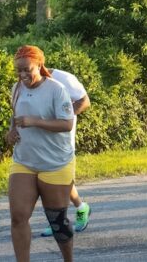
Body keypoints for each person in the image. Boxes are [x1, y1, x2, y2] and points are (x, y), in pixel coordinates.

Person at [6, 45, 75, 262]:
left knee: (57, 221)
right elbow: (15, 116)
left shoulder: (56, 90)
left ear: (39, 65)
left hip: (55, 162)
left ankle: (68, 259)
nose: (22, 75)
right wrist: (11, 132)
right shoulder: (16, 88)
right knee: (18, 217)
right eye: (18, 71)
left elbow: (67, 124)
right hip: (24, 160)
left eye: (27, 69)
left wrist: (34, 122)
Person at [39, 68, 92, 237]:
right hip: (40, 139)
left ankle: (73, 212)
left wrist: (62, 120)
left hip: (62, 140)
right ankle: (61, 219)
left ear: (39, 64)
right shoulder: (28, 84)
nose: (22, 74)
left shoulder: (64, 78)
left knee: (59, 180)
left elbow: (84, 101)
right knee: (48, 180)